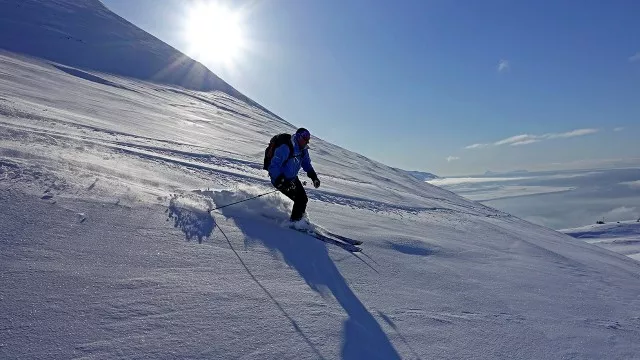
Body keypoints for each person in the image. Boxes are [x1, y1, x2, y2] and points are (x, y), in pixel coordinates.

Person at [268, 128, 320, 227]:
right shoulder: (286, 147)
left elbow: (307, 164)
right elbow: (273, 165)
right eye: (305, 138)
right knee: (300, 200)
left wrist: (314, 177)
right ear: (298, 136)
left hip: (292, 179)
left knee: (303, 199)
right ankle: (295, 223)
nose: (307, 141)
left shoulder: (303, 150)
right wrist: (280, 180)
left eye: (308, 139)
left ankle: (299, 219)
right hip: (280, 180)